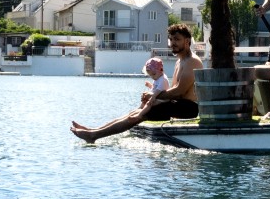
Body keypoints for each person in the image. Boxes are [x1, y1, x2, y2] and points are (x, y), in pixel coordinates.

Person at [71, 24, 202, 143]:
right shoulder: (180, 61)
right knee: (136, 111)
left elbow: (180, 92)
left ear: (187, 41)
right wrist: (153, 96)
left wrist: (154, 97)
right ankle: (93, 130)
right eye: (171, 39)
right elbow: (173, 90)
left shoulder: (192, 61)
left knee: (140, 114)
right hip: (178, 105)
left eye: (177, 39)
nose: (173, 43)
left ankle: (94, 135)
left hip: (188, 108)